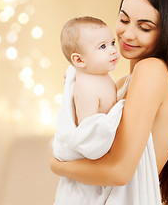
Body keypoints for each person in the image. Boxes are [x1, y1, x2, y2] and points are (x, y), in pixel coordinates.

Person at [50, 0, 168, 205]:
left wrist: (58, 165)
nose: (127, 34)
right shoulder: (120, 84)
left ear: (166, 32)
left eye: (144, 27)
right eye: (124, 20)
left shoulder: (152, 70)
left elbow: (119, 172)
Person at [53, 16, 125, 204]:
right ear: (79, 60)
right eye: (102, 47)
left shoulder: (100, 76)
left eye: (112, 43)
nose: (112, 51)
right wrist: (119, 112)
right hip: (85, 177)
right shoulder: (87, 88)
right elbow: (89, 135)